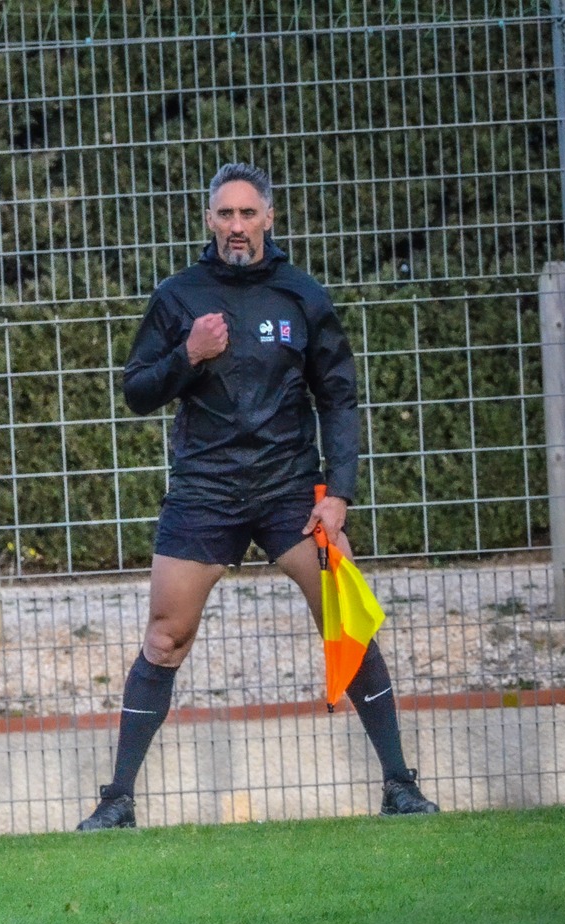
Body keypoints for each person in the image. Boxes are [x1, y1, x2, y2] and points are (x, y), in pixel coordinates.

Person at [77, 162, 439, 830]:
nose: (236, 227)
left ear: (269, 217)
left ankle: (401, 786)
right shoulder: (179, 296)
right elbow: (136, 392)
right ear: (208, 218)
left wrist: (341, 496)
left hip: (290, 491)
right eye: (225, 214)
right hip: (204, 489)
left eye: (248, 214)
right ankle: (116, 802)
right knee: (166, 635)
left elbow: (337, 396)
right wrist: (190, 352)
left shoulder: (301, 295)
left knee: (347, 616)